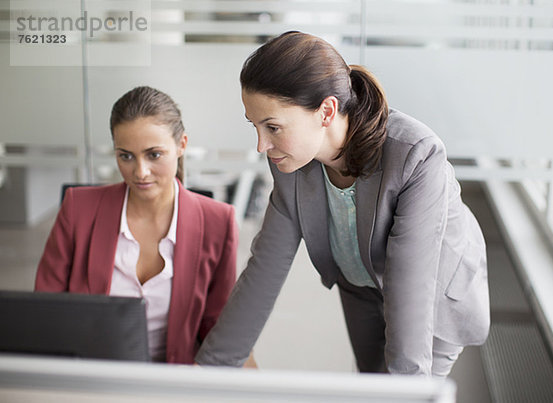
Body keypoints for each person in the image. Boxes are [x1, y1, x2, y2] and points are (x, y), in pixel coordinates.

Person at [195, 31, 490, 377]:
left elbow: (410, 288)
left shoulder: (415, 156)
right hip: (361, 287)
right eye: (256, 126)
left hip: (432, 297)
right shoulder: (291, 162)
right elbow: (264, 268)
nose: (261, 145)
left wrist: (408, 391)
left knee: (402, 389)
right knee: (370, 386)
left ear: (326, 111)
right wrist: (207, 373)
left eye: (273, 127)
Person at [35, 86, 238, 364]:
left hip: (173, 381)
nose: (140, 172)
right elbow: (46, 312)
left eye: (154, 154)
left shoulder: (218, 221)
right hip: (91, 376)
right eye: (126, 156)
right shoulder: (78, 209)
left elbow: (219, 328)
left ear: (181, 145)